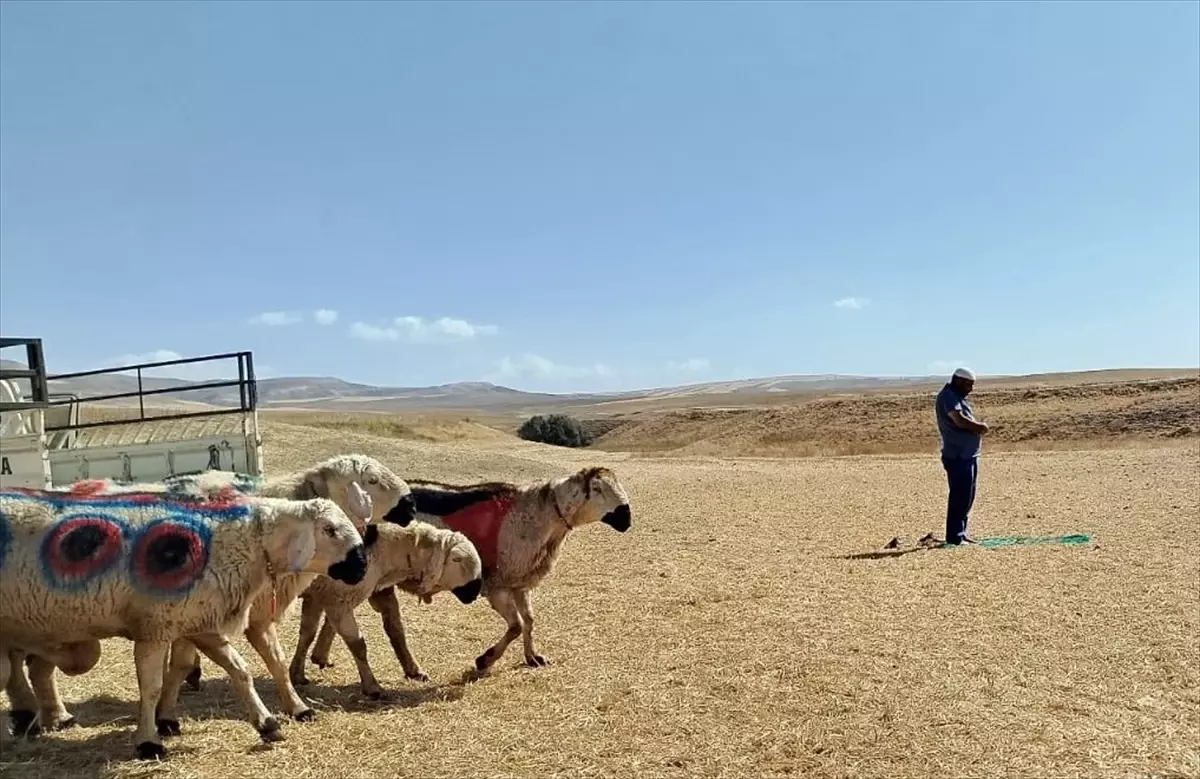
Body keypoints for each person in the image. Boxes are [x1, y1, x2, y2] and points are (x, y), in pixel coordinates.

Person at [934, 367, 989, 545]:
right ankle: (954, 537)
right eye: (967, 384)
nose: (970, 389)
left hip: (967, 454)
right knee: (960, 495)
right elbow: (958, 419)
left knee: (968, 495)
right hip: (958, 455)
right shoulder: (948, 396)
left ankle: (961, 532)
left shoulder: (957, 397)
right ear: (957, 380)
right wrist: (979, 427)